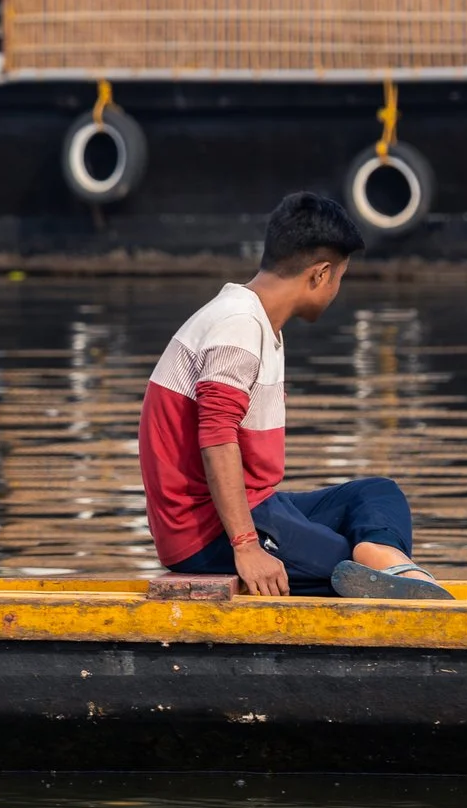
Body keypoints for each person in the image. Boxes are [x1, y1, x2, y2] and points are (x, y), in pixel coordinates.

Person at [139, 191, 449, 599]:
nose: (337, 290)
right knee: (346, 571)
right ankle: (393, 573)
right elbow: (216, 436)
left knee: (377, 492)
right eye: (340, 277)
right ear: (320, 275)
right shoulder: (238, 325)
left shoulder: (253, 319)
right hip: (207, 534)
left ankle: (384, 557)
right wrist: (246, 546)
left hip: (257, 506)